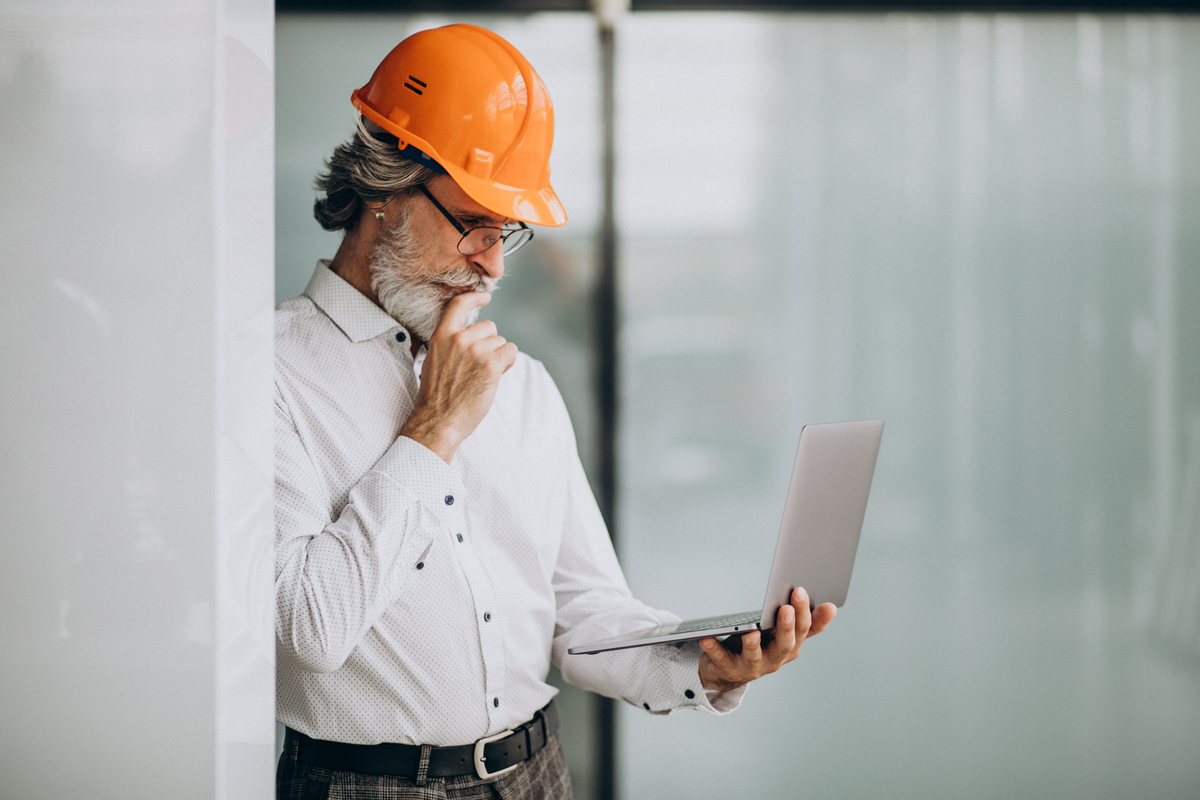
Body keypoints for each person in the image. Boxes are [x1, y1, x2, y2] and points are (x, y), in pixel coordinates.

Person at [273, 24, 836, 800]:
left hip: (539, 776)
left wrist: (700, 666)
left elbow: (583, 609)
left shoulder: (524, 383)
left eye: (507, 232)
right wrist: (434, 429)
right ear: (384, 190)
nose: (494, 262)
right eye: (473, 221)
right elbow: (310, 629)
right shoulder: (264, 373)